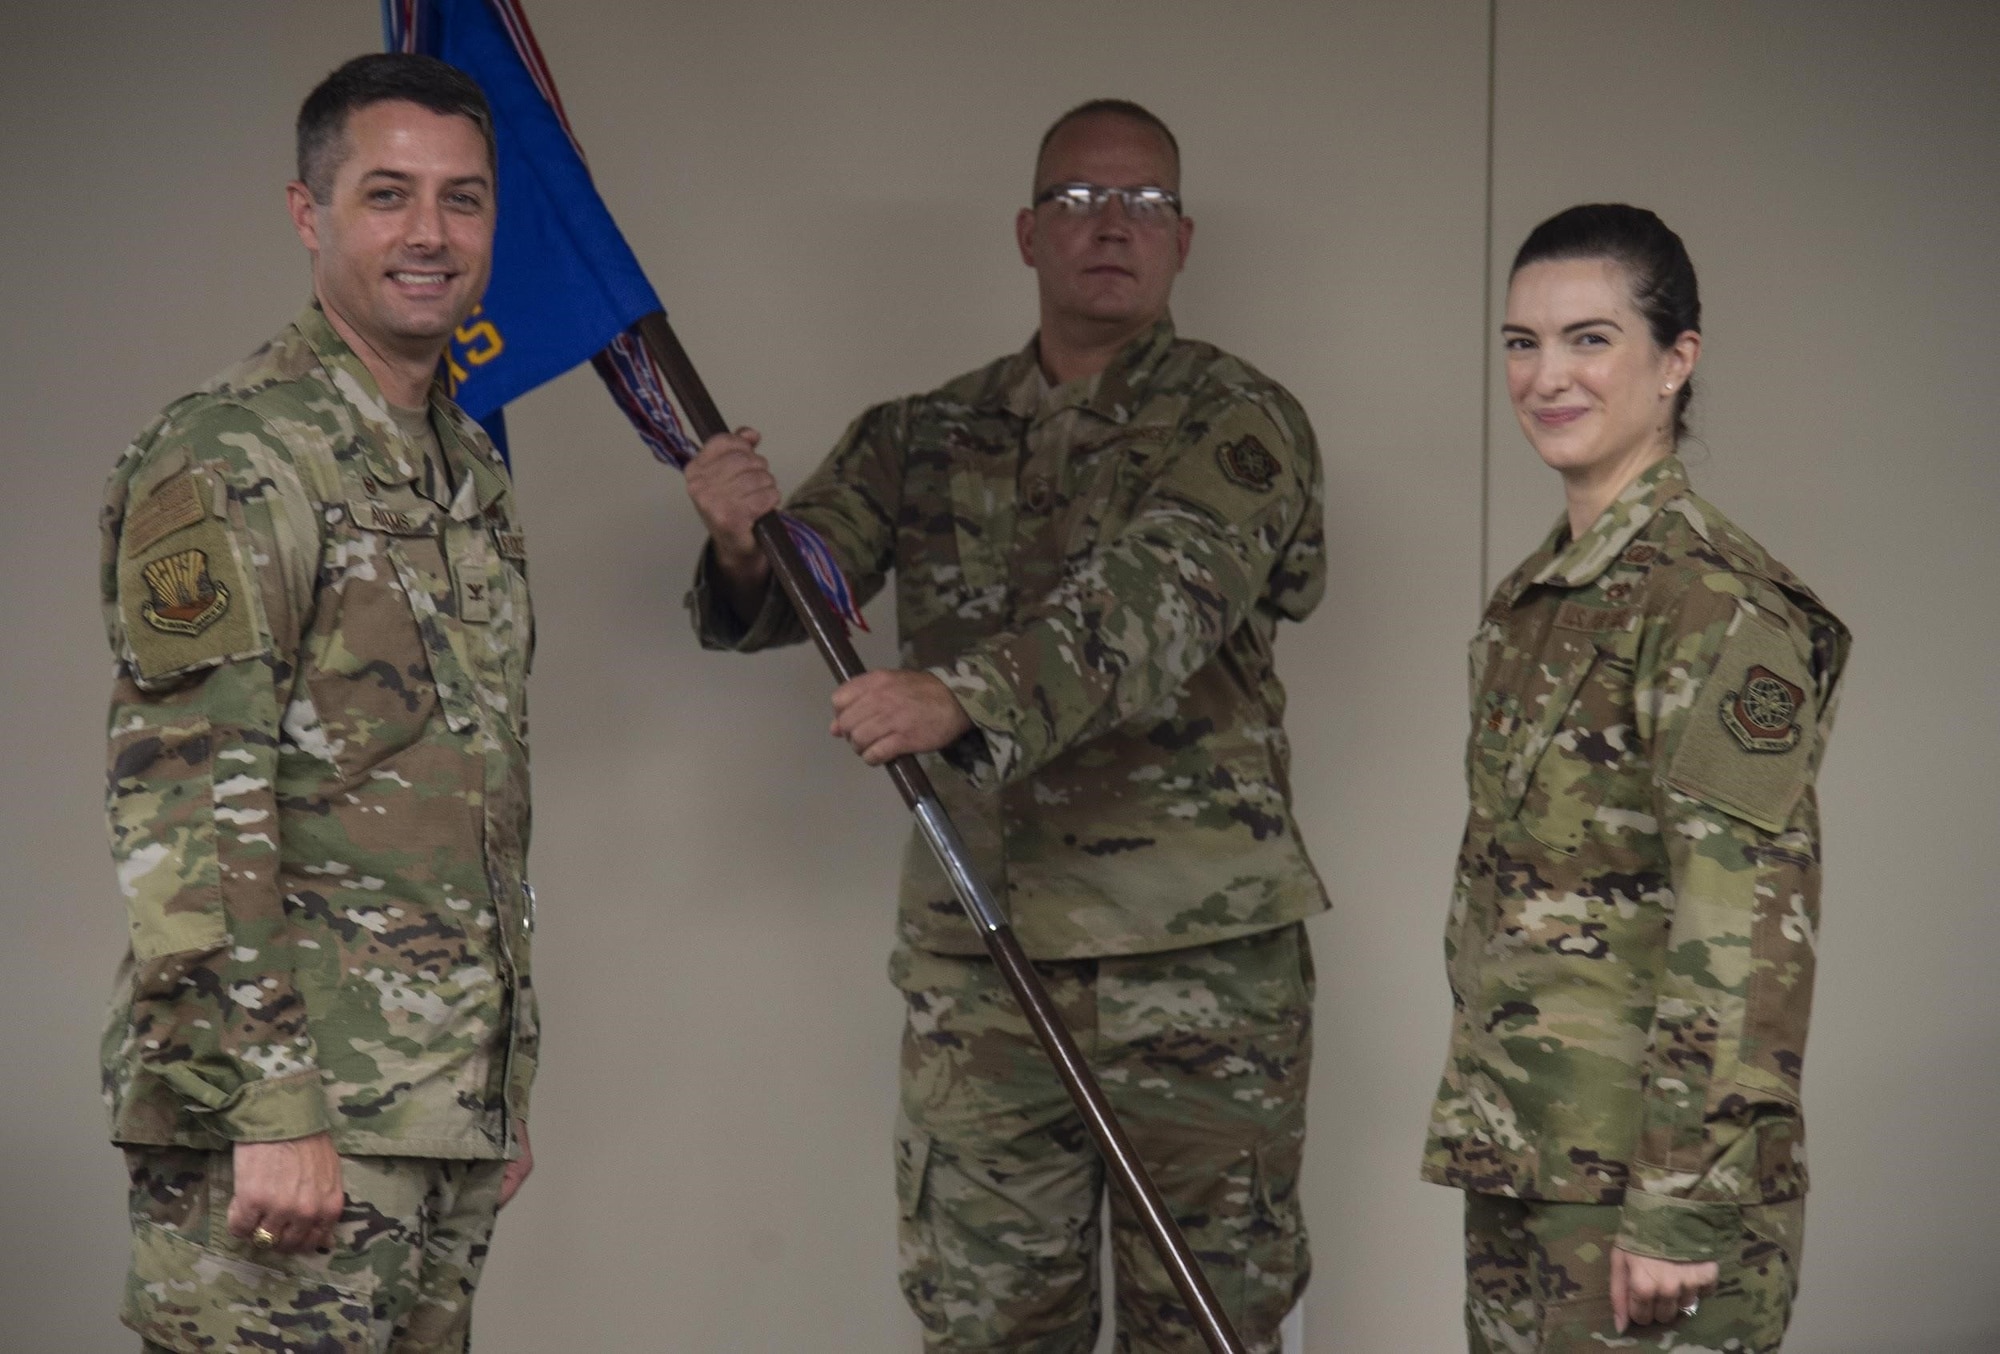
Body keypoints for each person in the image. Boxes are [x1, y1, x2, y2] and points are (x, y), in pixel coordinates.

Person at [684, 100, 1327, 1351]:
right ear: (1028, 231)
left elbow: (1159, 594)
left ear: (1183, 240)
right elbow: (796, 588)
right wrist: (740, 537)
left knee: (1205, 1328)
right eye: (1082, 201)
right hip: (983, 967)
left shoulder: (1240, 423)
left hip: (1192, 970)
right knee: (988, 1331)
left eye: (1143, 204)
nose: (1112, 227)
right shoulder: (920, 432)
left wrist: (960, 695)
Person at [100, 54, 539, 1353]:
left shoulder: (466, 468)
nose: (430, 234)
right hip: (293, 1123)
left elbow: (467, 791)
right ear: (309, 214)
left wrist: (492, 1082)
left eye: (464, 200)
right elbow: (187, 799)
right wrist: (271, 1099)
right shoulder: (237, 454)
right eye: (388, 194)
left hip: (431, 1110)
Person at [1420, 203, 1851, 1352]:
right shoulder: (1536, 599)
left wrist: (1679, 1203)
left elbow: (1744, 926)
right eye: (1521, 341)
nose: (1545, 375)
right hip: (1531, 1166)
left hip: (1648, 1203)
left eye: (1588, 338)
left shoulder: (1709, 601)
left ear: (1674, 362)